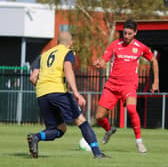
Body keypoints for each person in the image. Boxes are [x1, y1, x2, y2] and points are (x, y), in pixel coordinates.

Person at [27, 31, 109, 159]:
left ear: (57, 42)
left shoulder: (44, 55)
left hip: (41, 94)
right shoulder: (67, 52)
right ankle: (97, 153)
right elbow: (68, 69)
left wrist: (43, 87)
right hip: (58, 92)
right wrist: (76, 93)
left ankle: (36, 137)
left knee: (60, 129)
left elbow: (33, 78)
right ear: (70, 43)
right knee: (81, 120)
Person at [93, 19, 159, 153]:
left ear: (135, 33)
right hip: (112, 85)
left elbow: (153, 60)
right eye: (125, 33)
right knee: (99, 117)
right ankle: (109, 129)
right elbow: (104, 59)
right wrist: (100, 63)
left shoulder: (140, 47)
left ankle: (139, 142)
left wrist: (155, 81)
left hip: (129, 85)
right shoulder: (115, 45)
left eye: (129, 33)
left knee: (131, 109)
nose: (126, 36)